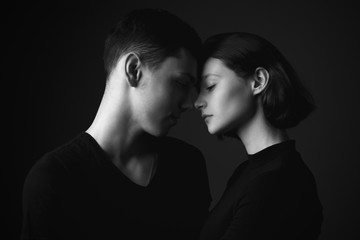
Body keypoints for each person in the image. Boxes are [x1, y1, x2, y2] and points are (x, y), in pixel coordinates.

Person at [21, 8, 211, 240]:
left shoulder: (187, 166)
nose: (189, 104)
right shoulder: (55, 179)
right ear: (134, 70)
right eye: (181, 82)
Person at [195, 32, 323, 240]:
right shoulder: (249, 172)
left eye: (210, 86)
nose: (197, 102)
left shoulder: (276, 181)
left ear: (258, 81)